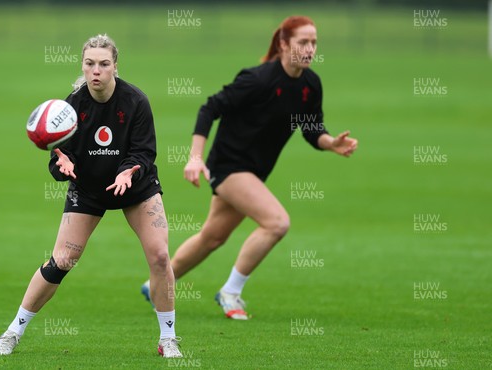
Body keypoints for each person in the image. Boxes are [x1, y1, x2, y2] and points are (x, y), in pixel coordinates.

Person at [141, 16, 358, 320]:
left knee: (212, 237)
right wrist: (195, 156)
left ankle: (156, 286)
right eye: (303, 42)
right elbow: (210, 108)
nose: (310, 49)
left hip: (254, 172)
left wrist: (330, 142)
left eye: (314, 42)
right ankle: (230, 292)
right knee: (277, 222)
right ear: (283, 44)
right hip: (228, 166)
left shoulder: (310, 84)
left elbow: (311, 129)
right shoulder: (258, 80)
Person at [0, 34, 182, 358]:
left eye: (104, 64)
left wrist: (128, 170)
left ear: (115, 67)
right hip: (89, 189)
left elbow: (144, 151)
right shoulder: (72, 105)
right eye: (90, 64)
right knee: (62, 259)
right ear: (83, 65)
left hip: (136, 187)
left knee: (161, 257)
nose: (96, 71)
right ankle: (13, 332)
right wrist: (59, 162)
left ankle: (168, 339)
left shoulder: (135, 101)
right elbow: (60, 153)